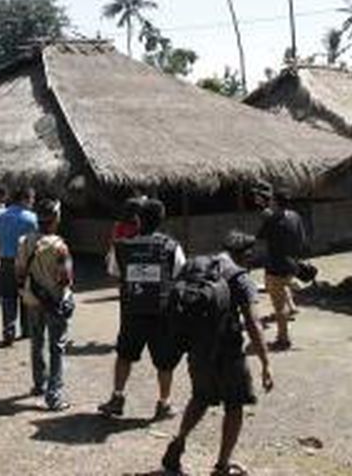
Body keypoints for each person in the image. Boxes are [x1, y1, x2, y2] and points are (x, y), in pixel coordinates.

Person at [161, 231, 274, 476]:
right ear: (246, 254)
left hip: (197, 348)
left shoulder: (197, 265)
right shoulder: (240, 277)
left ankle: (178, 442)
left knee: (200, 398)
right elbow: (253, 323)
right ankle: (222, 465)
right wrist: (265, 363)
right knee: (235, 405)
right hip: (229, 353)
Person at [98, 198, 187, 420]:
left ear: (138, 219)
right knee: (165, 361)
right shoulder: (171, 247)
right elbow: (179, 275)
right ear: (161, 220)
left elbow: (113, 274)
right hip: (162, 313)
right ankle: (164, 403)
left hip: (132, 312)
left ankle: (117, 398)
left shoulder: (122, 247)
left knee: (125, 355)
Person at [16, 198, 74, 411]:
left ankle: (39, 383)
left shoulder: (25, 241)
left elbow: (20, 272)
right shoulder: (59, 247)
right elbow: (65, 278)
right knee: (57, 347)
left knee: (36, 341)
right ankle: (54, 395)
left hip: (32, 300)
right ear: (55, 219)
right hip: (54, 302)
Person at [254, 184, 307, 351]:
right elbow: (301, 239)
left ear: (275, 202)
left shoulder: (271, 219)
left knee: (278, 307)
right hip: (291, 263)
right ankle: (293, 291)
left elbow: (260, 237)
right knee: (284, 290)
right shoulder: (295, 216)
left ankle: (283, 339)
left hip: (275, 266)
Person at [0, 187, 37, 346]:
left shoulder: (1, 217)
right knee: (26, 296)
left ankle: (8, 331)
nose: (33, 203)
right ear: (25, 199)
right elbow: (34, 243)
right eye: (32, 199)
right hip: (24, 263)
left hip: (6, 261)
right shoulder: (31, 219)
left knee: (8, 297)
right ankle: (27, 330)